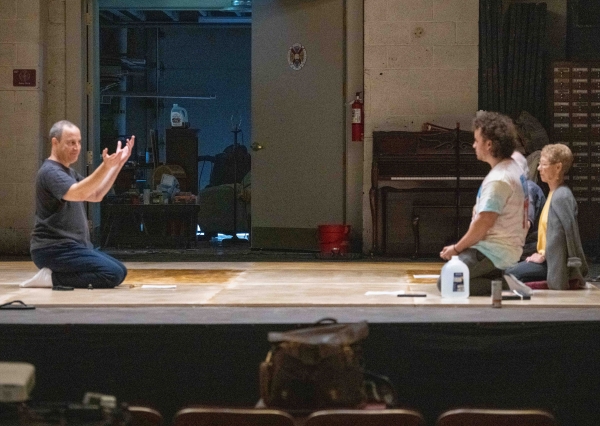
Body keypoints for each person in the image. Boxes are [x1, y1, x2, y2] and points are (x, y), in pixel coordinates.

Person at [20, 120, 135, 289]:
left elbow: (96, 195)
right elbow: (78, 192)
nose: (76, 147)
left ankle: (55, 276)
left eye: (79, 142)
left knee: (120, 271)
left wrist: (117, 165)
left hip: (72, 247)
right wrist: (105, 166)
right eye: (71, 143)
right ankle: (51, 279)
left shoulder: (68, 172)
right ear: (55, 142)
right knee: (112, 274)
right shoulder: (50, 172)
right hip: (53, 249)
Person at [438, 111, 528, 296]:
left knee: (447, 283)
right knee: (459, 278)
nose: (473, 145)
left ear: (489, 144)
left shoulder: (499, 179)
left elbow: (484, 222)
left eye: (476, 140)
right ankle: (500, 279)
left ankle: (505, 285)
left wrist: (457, 248)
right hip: (505, 248)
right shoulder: (513, 167)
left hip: (493, 251)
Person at [505, 144, 588, 289]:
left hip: (555, 264)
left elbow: (565, 236)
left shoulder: (561, 196)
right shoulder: (552, 193)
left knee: (510, 275)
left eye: (543, 164)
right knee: (508, 272)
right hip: (547, 259)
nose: (538, 168)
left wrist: (543, 256)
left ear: (558, 167)